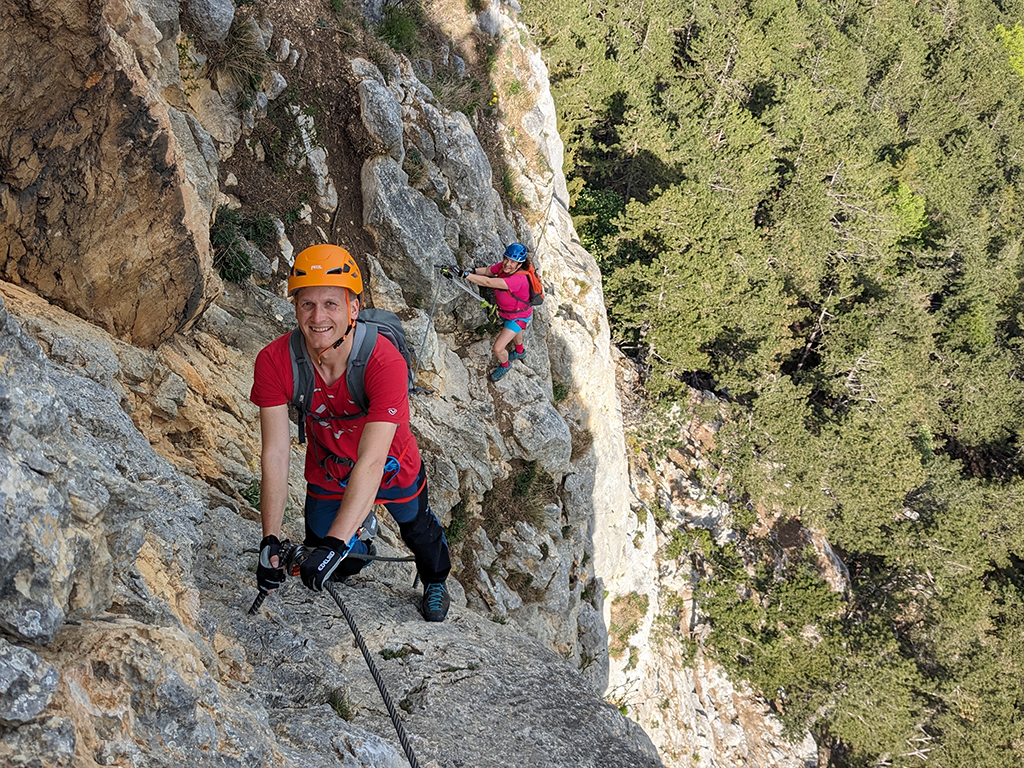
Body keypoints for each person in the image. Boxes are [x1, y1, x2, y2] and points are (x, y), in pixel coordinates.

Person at [249, 243, 451, 621]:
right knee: (323, 550)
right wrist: (270, 539)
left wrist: (337, 541)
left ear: (353, 309)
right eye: (307, 304)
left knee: (417, 530)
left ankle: (436, 580)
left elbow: (373, 460)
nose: (318, 316)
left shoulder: (382, 361)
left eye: (331, 304)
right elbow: (274, 453)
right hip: (329, 468)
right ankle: (360, 549)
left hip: (391, 465)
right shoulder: (274, 361)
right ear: (294, 308)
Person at [463, 243, 533, 381]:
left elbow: (489, 282)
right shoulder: (506, 267)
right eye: (506, 259)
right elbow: (489, 271)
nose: (507, 264)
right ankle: (520, 352)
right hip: (510, 313)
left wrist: (466, 275)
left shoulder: (518, 279)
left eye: (512, 262)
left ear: (520, 265)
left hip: (518, 316)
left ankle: (505, 365)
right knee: (515, 332)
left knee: (498, 348)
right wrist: (473, 270)